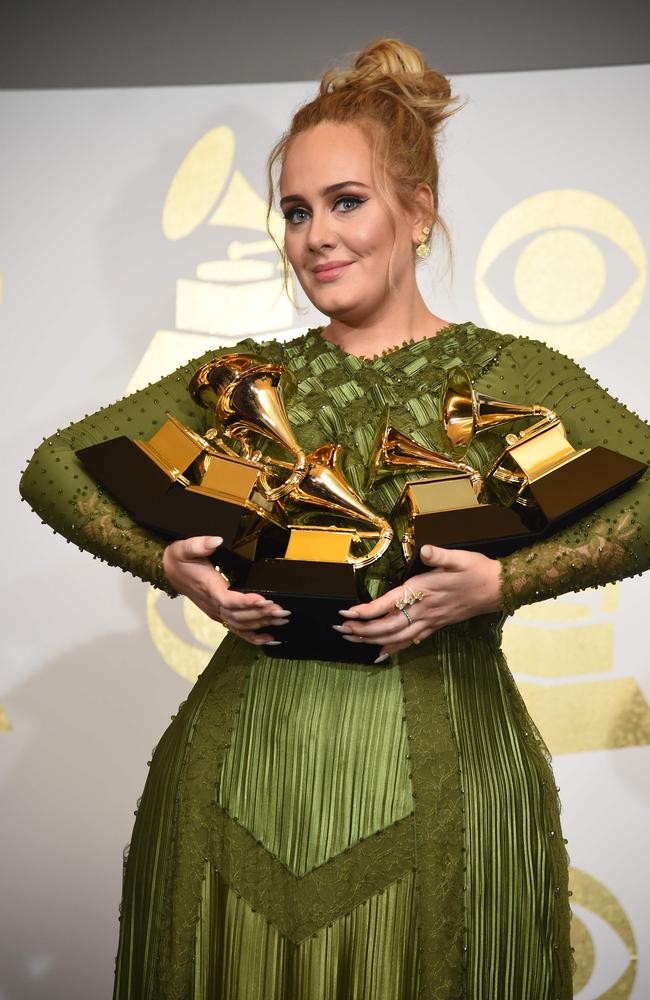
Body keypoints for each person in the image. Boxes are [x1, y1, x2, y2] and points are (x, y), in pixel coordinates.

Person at [19, 37, 650, 1000]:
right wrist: (173, 567)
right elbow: (52, 467)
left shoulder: (503, 374)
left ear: (419, 213)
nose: (317, 235)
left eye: (346, 202)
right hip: (234, 780)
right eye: (298, 211)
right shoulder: (241, 379)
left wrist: (506, 581)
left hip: (450, 789)